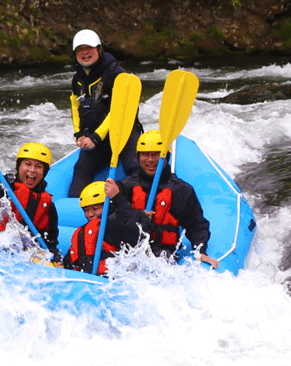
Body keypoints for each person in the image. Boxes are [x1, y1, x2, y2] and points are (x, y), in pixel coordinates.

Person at [115, 129, 212, 263]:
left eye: (156, 155)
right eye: (145, 154)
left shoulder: (181, 190)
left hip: (163, 255)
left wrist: (200, 251)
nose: (150, 160)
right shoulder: (125, 187)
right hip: (130, 252)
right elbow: (112, 222)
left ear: (166, 157)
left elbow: (196, 224)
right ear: (138, 157)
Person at [68, 28, 142, 197]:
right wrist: (80, 133)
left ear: (99, 50)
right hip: (96, 136)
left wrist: (95, 137)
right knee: (81, 168)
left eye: (89, 48)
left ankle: (137, 205)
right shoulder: (77, 79)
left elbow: (119, 109)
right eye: (80, 49)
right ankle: (76, 210)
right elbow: (75, 105)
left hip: (124, 131)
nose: (85, 53)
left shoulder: (116, 74)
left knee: (133, 166)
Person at [63, 180, 146, 276]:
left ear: (110, 207)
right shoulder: (83, 232)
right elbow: (70, 260)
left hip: (112, 280)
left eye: (95, 209)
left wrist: (118, 198)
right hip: (88, 280)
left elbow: (131, 225)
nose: (90, 214)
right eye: (86, 210)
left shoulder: (116, 226)